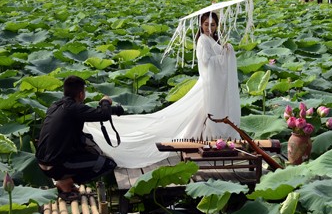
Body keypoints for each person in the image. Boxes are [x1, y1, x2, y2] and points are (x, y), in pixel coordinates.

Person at [84, 11, 241, 168]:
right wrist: (223, 57)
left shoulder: (214, 40)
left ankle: (214, 139)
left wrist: (226, 49)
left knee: (203, 114)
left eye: (212, 25)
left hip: (215, 85)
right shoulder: (202, 41)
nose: (209, 28)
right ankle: (209, 138)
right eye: (206, 25)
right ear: (201, 24)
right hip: (208, 84)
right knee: (202, 113)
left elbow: (217, 58)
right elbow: (207, 63)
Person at [36, 76, 123, 202]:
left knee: (86, 144)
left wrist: (114, 110)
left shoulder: (55, 106)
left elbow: (90, 112)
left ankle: (66, 181)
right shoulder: (73, 108)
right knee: (107, 164)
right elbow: (103, 115)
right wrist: (105, 102)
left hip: (42, 164)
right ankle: (65, 182)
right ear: (81, 94)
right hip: (57, 164)